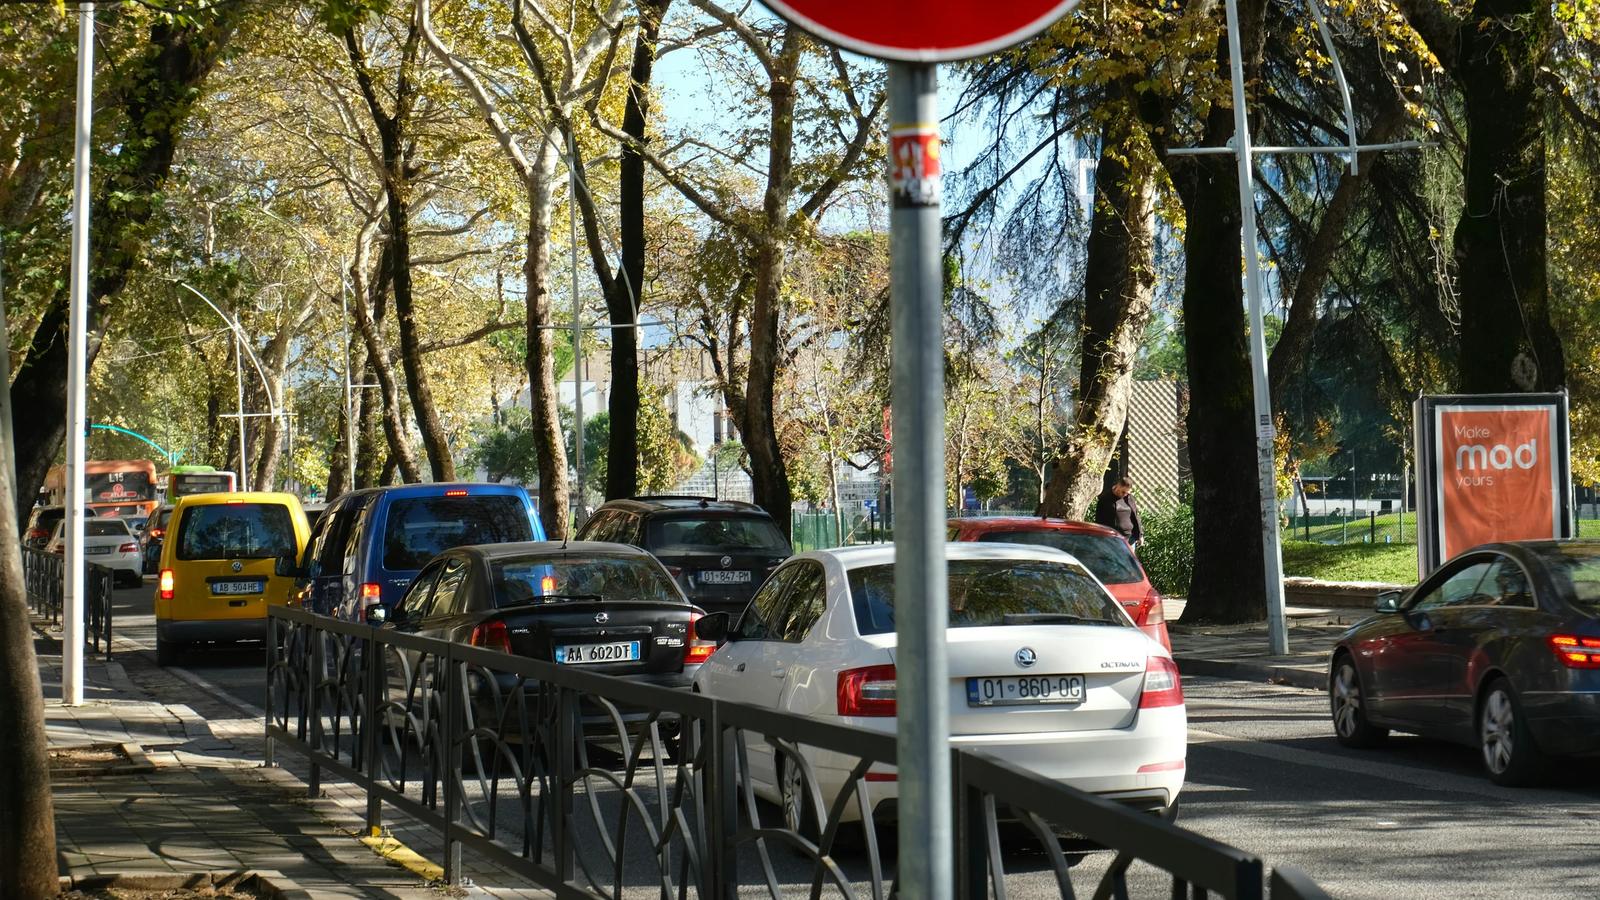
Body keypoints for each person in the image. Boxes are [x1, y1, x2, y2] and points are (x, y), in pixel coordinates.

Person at [1094, 476, 1143, 547]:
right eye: (1123, 492)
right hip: (1113, 539)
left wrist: (1140, 535)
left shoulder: (1129, 498)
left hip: (1130, 538)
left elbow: (1135, 515)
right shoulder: (1105, 499)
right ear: (1118, 486)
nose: (1125, 495)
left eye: (1127, 493)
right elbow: (1099, 519)